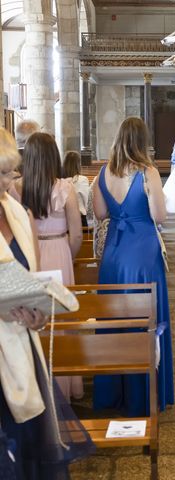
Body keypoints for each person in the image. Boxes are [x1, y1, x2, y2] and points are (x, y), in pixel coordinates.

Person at [0, 128, 93, 479]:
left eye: (12, 172)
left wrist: (36, 315)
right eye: (3, 174)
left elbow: (29, 277)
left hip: (23, 350)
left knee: (29, 453)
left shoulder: (18, 213)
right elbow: (72, 237)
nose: (11, 183)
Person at [92, 117, 174, 417]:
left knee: (115, 321)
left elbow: (100, 213)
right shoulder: (148, 172)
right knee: (145, 321)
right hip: (142, 252)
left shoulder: (104, 171)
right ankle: (143, 397)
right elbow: (160, 216)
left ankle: (113, 394)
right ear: (142, 141)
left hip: (114, 252)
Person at [20, 133, 84, 402]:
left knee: (33, 324)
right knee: (61, 323)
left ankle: (37, 389)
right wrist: (65, 255)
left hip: (29, 254)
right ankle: (65, 387)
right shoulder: (65, 188)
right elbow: (77, 234)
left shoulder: (17, 187)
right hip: (59, 250)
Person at [63, 151, 90, 227]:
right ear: (78, 164)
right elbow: (86, 200)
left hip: (63, 219)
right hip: (79, 218)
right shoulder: (82, 180)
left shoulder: (59, 180)